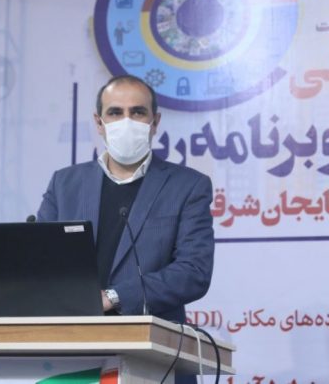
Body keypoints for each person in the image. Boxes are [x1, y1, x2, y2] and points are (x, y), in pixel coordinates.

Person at [37, 74, 214, 324]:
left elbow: (193, 272)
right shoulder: (64, 184)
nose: (126, 122)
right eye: (115, 113)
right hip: (70, 331)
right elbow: (39, 262)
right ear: (99, 123)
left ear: (155, 122)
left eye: (138, 112)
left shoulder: (188, 186)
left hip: (149, 336)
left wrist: (115, 297)